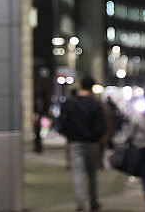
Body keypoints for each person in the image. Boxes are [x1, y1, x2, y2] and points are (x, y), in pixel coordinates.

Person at [58, 76, 107, 212]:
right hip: (92, 142)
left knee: (78, 172)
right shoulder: (95, 104)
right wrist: (97, 137)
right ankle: (94, 202)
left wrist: (69, 136)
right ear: (92, 87)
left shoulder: (71, 103)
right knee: (92, 174)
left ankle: (80, 204)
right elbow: (102, 124)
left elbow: (62, 122)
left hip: (76, 142)